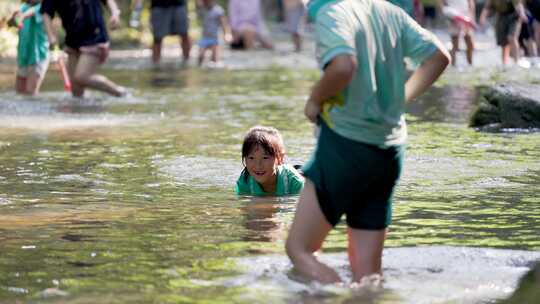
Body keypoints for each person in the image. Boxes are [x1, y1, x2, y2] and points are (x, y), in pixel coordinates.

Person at [285, 0, 450, 284]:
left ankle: (333, 291)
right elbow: (439, 57)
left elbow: (343, 66)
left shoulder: (333, 12)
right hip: (389, 151)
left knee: (300, 250)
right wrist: (400, 100)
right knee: (367, 274)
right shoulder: (391, 12)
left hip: (345, 146)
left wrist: (314, 100)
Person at [41, 0, 126, 98]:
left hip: (95, 37)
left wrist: (115, 13)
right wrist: (50, 35)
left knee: (82, 77)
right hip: (72, 40)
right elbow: (46, 13)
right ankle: (84, 111)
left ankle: (119, 92)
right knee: (76, 89)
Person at [236, 126, 304, 196]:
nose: (258, 165)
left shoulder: (293, 181)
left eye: (265, 158)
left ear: (280, 158)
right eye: (251, 158)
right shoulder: (245, 181)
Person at [8, 0, 49, 96]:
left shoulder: (43, 7)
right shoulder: (24, 7)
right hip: (24, 56)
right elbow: (11, 23)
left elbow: (30, 13)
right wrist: (14, 18)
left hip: (38, 55)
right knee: (19, 93)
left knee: (31, 93)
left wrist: (20, 16)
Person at [479, 0, 529, 66]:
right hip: (501, 17)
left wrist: (522, 14)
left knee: (512, 38)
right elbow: (487, 7)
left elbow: (518, 4)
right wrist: (482, 17)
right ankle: (504, 63)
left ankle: (516, 61)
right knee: (503, 42)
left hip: (513, 16)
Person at [150, 0, 192, 65]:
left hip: (179, 4)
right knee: (157, 38)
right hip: (158, 5)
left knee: (184, 34)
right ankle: (155, 64)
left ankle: (187, 61)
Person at [197, 0, 232, 66]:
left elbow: (224, 23)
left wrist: (227, 34)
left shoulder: (218, 10)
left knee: (215, 59)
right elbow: (198, 4)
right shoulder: (203, 9)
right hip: (205, 37)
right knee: (200, 56)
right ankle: (200, 66)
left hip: (215, 38)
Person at [442, 0, 476, 66]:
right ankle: (453, 65)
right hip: (453, 16)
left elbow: (471, 2)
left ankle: (470, 64)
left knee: (469, 41)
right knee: (455, 44)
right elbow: (441, 4)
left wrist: (471, 16)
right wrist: (447, 13)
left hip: (466, 15)